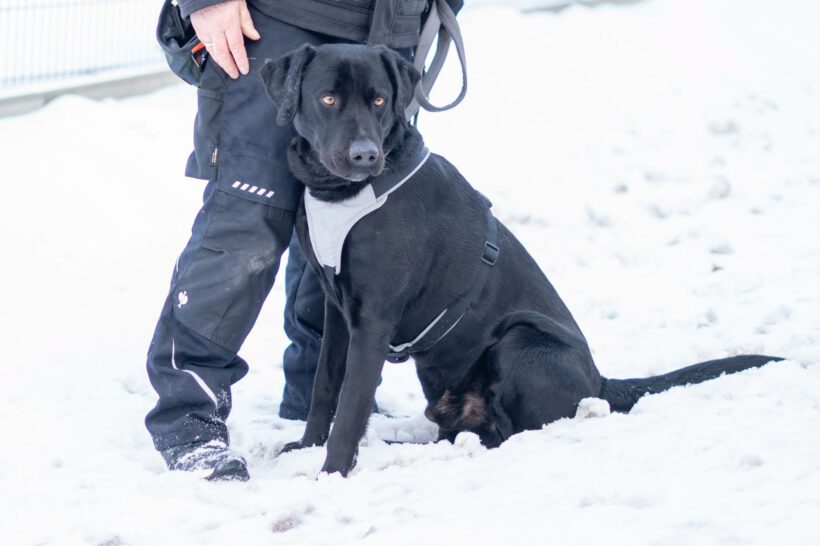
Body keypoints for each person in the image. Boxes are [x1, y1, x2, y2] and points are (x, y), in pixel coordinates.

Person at [145, 0, 429, 481]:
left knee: (348, 229)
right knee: (245, 228)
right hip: (276, 22)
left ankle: (322, 401)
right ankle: (187, 421)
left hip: (390, 30)